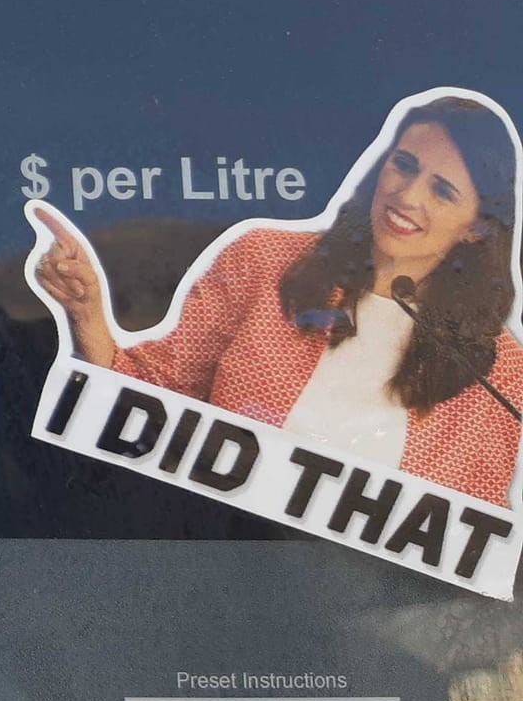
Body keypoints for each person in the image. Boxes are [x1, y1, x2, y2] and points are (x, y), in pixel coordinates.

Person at [29, 92, 523, 506]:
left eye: (443, 191)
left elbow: (479, 542)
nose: (408, 196)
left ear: (479, 227)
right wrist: (87, 316)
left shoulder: (500, 372)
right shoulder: (264, 260)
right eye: (404, 165)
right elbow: (153, 397)